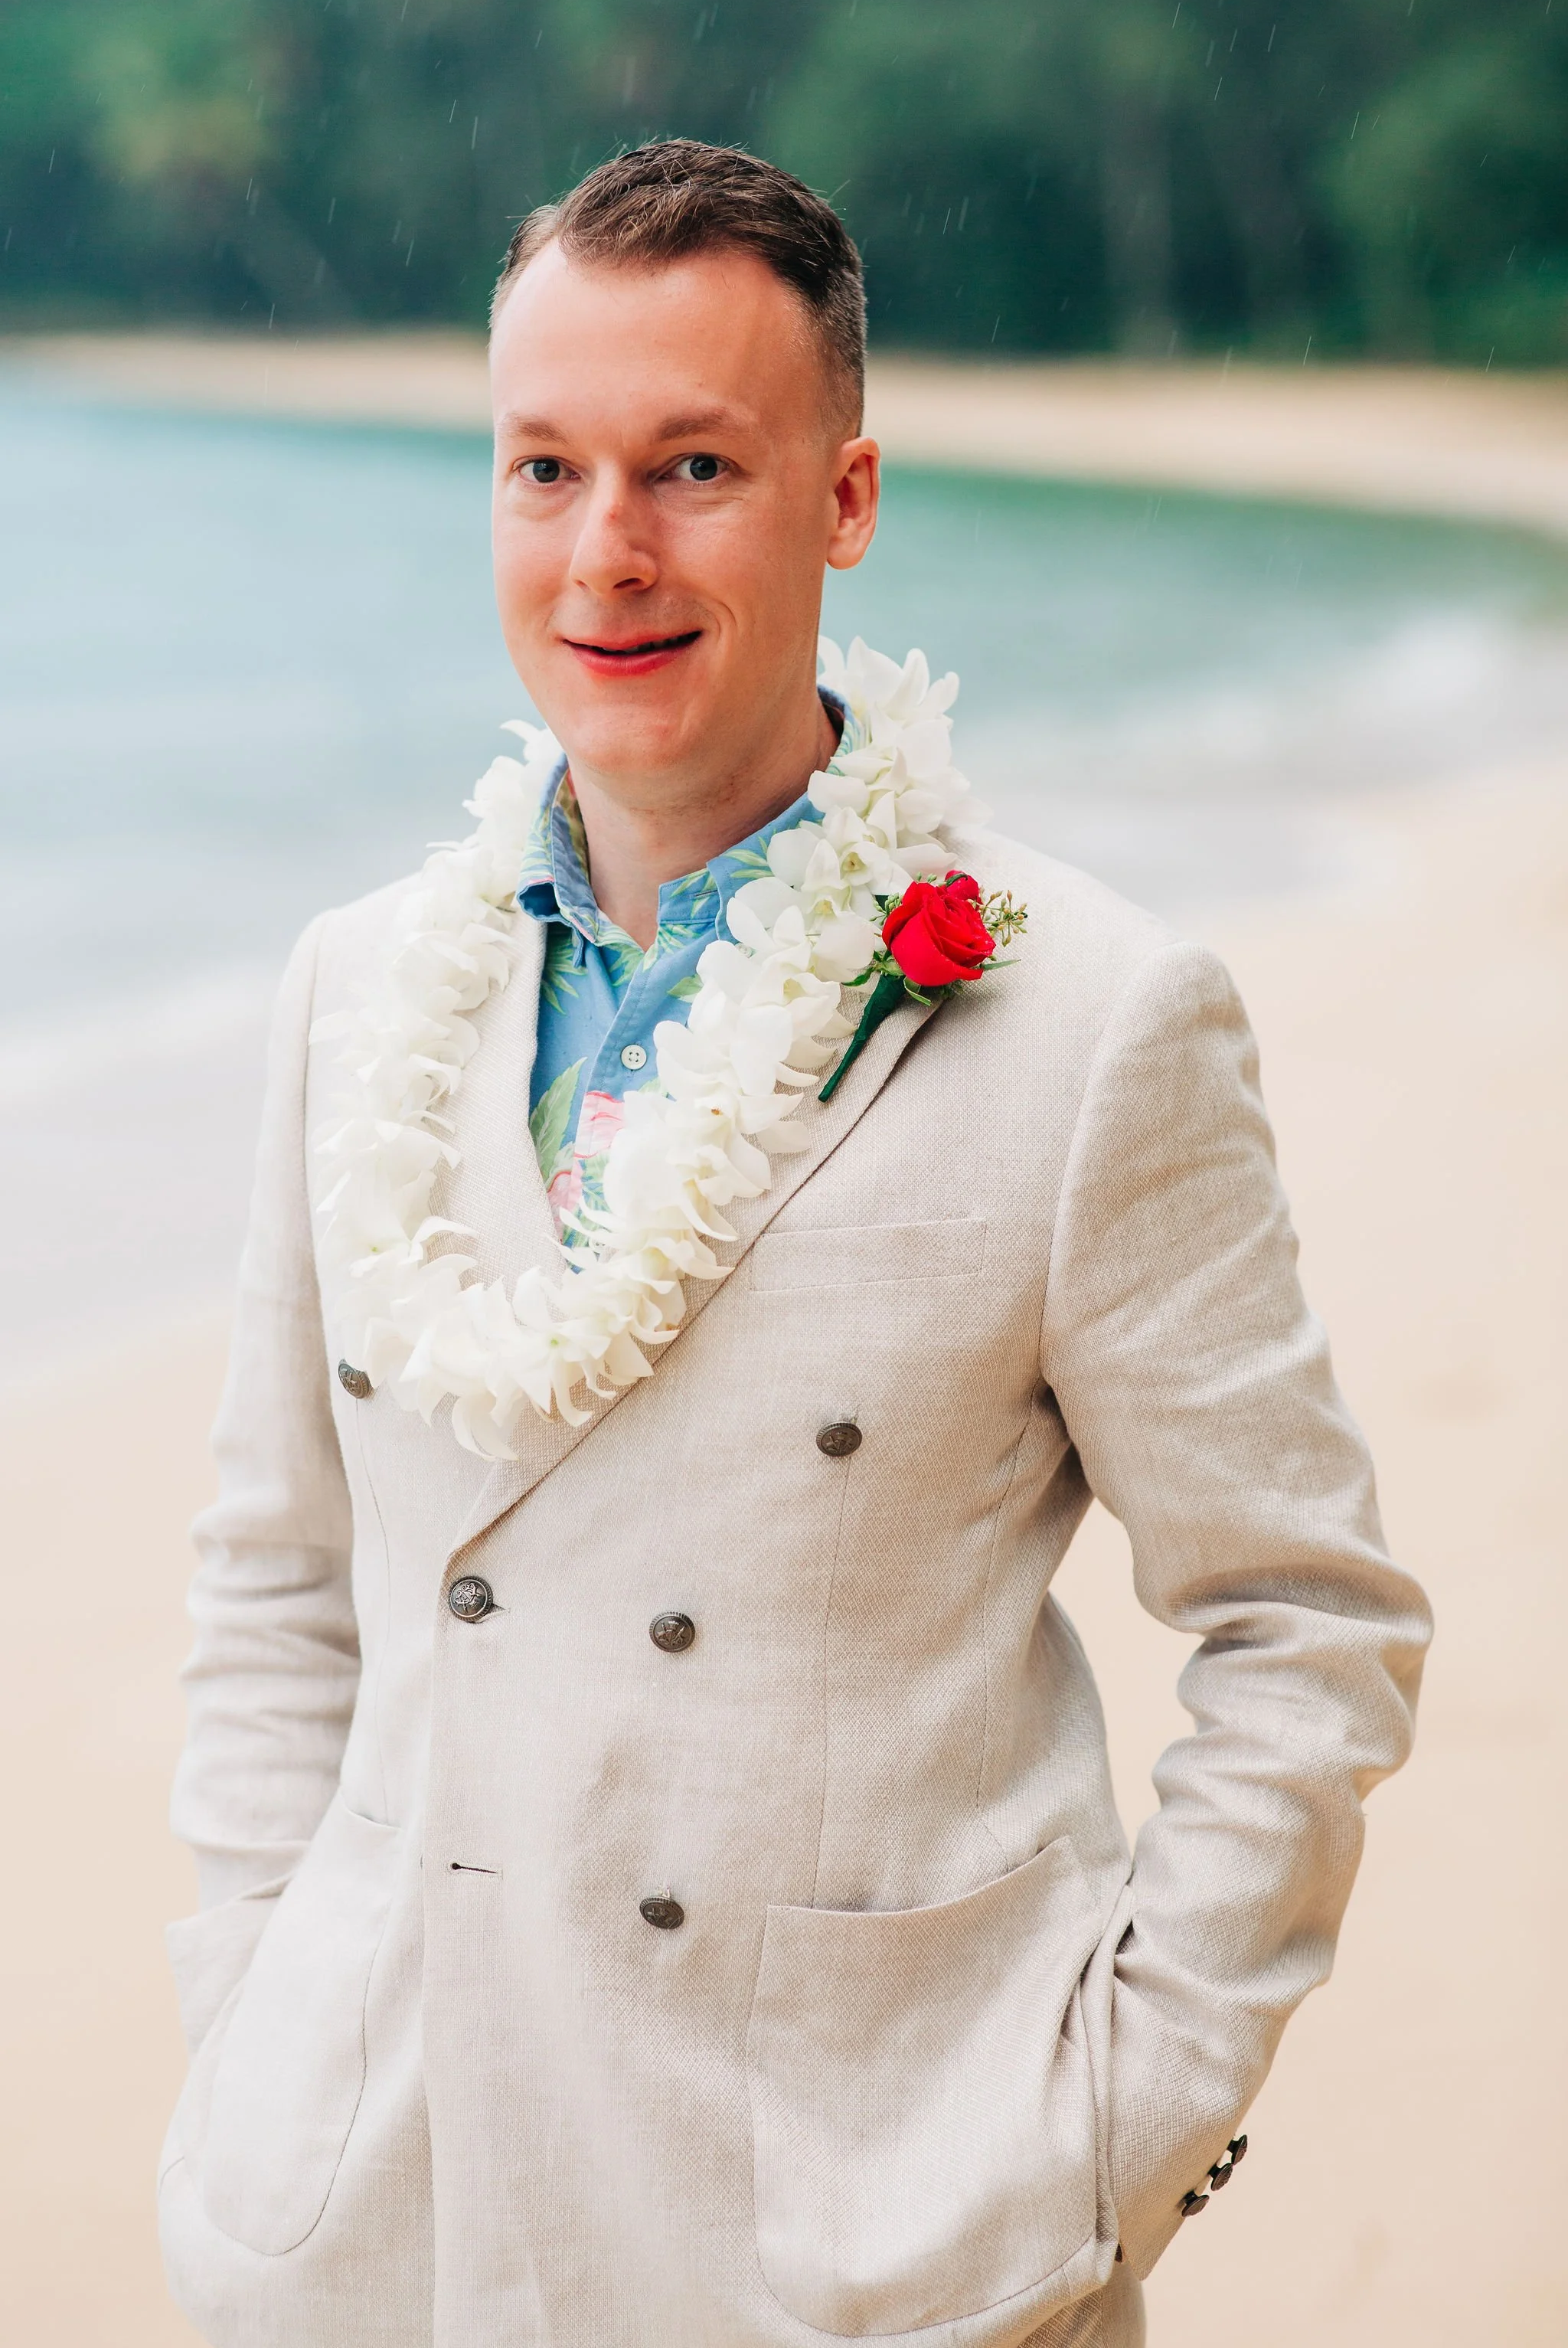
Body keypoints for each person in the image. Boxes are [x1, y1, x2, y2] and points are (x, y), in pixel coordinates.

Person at [159, 141, 1431, 2348]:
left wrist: (1120, 2128)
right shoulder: (351, 991)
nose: (606, 555)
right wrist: (256, 2005)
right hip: (379, 2224)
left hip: (868, 2250)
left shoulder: (1091, 1021)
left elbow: (1304, 1619)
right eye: (542, 468)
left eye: (692, 468)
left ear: (844, 500)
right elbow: (279, 1579)